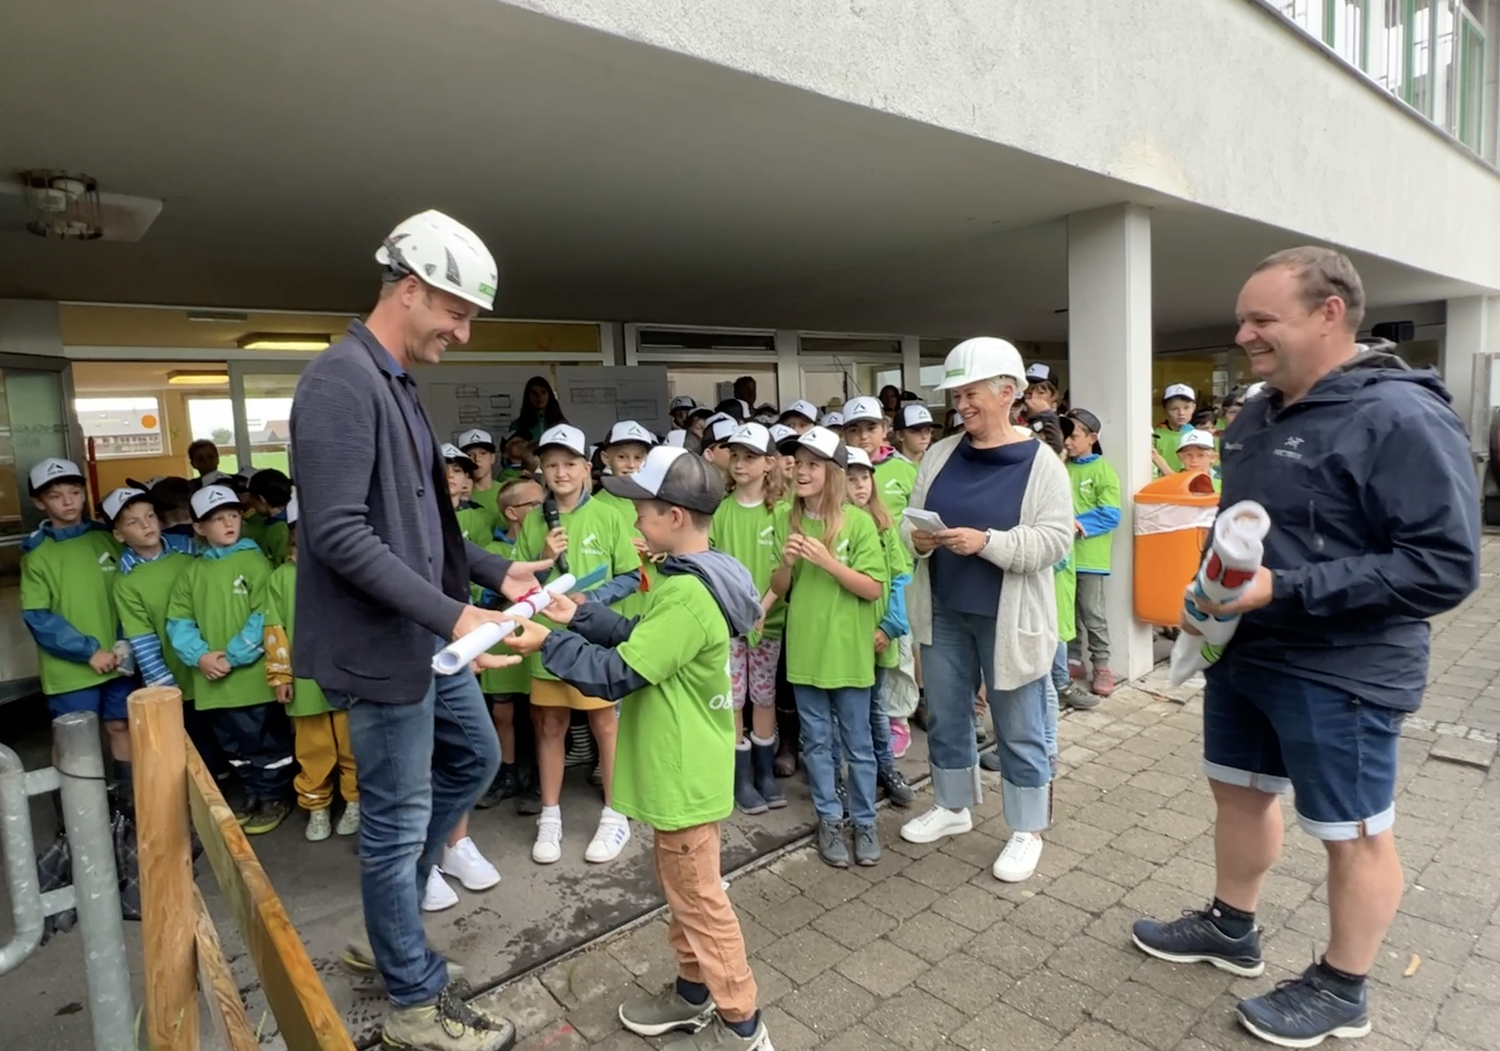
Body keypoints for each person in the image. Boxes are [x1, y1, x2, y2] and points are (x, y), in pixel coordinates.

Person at [1130, 246, 1480, 1048]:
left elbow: (1444, 564)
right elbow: (1240, 522)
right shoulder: (1257, 411)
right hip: (1244, 649)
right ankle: (1231, 926)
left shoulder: (1401, 417)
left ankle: (1343, 987)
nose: (1243, 335)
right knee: (1238, 790)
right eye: (1241, 319)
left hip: (1342, 668)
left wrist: (1285, 588)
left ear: (1330, 314)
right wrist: (1207, 588)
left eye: (1262, 319)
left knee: (1354, 831)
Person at [289, 210, 538, 1051]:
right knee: (396, 826)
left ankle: (390, 928)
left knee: (473, 758)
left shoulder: (390, 380)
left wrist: (496, 570)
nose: (463, 333)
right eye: (455, 313)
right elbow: (338, 533)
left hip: (423, 635)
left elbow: (426, 526)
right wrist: (456, 613)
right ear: (407, 288)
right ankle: (414, 1005)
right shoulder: (339, 381)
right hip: (385, 645)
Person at [506, 446, 770, 1051]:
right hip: (681, 769)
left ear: (674, 517)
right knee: (685, 894)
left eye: (642, 510)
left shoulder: (688, 595)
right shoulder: (697, 574)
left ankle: (743, 1027)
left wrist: (545, 642)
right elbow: (641, 637)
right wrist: (580, 616)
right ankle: (693, 994)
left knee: (700, 902)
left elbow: (618, 673)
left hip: (681, 775)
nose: (634, 520)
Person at [898, 338, 1072, 884]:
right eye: (957, 395)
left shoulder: (1042, 463)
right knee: (948, 714)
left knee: (1019, 723)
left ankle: (1027, 828)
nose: (961, 404)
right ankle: (953, 805)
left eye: (971, 392)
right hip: (945, 608)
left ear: (1007, 392)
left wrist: (988, 542)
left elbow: (1054, 541)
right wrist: (917, 540)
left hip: (1009, 617)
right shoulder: (941, 453)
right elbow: (910, 518)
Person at [515, 423, 641, 866]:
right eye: (551, 465)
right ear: (542, 470)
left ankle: (615, 812)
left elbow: (630, 574)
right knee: (550, 726)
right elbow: (516, 581)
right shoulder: (535, 520)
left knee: (606, 725)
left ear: (588, 467)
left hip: (595, 641)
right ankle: (550, 816)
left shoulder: (609, 515)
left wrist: (592, 600)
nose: (561, 472)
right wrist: (544, 559)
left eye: (569, 463)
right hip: (547, 639)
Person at [769, 427, 887, 868]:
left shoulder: (858, 522)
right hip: (805, 651)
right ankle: (830, 818)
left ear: (833, 472)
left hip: (849, 652)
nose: (801, 472)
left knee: (858, 744)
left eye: (812, 465)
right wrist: (788, 563)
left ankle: (865, 820)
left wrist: (827, 561)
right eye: (798, 463)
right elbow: (779, 587)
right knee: (816, 743)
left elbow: (873, 588)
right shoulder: (786, 518)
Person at [166, 485, 291, 833]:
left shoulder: (254, 562)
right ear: (199, 527)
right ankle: (253, 793)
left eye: (233, 515)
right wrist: (200, 656)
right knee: (232, 745)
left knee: (264, 742)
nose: (228, 523)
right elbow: (178, 619)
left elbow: (265, 615)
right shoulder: (192, 572)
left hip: (251, 681)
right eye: (217, 519)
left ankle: (274, 797)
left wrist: (233, 657)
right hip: (212, 682)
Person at [21, 460, 132, 769]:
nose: (68, 502)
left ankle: (128, 796)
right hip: (71, 668)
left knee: (121, 725)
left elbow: (130, 594)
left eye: (75, 492)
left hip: (120, 658)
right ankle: (72, 800)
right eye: (55, 496)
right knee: (74, 737)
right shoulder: (38, 554)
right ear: (39, 502)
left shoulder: (107, 538)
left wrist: (125, 642)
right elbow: (38, 616)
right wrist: (88, 652)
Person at [263, 497, 360, 843]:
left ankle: (355, 801)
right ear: (292, 534)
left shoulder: (345, 569)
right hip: (305, 680)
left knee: (352, 742)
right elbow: (274, 629)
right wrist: (280, 675)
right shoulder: (281, 577)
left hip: (346, 674)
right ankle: (316, 805)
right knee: (312, 747)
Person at [709, 422, 788, 814]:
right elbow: (711, 564)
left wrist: (763, 608)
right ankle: (740, 778)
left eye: (750, 457)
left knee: (764, 694)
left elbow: (785, 571)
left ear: (770, 463)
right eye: (736, 456)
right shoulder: (720, 510)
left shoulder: (781, 512)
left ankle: (764, 773)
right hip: (730, 623)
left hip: (767, 623)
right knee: (734, 697)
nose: (740, 464)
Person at [844, 448, 917, 809]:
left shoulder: (884, 526)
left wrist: (889, 626)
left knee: (876, 707)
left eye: (865, 478)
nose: (860, 486)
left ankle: (885, 767)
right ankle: (844, 777)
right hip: (844, 637)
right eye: (850, 479)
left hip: (876, 636)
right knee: (841, 713)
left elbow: (900, 577)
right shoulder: (831, 525)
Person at [476, 478, 545, 815]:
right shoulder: (492, 550)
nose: (542, 509)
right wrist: (501, 587)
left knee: (540, 711)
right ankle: (508, 772)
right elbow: (481, 595)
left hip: (537, 639)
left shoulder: (545, 547)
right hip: (502, 641)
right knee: (502, 711)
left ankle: (538, 776)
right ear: (512, 512)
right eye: (535, 504)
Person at [1061, 408, 1122, 698]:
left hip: (1089, 558)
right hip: (1062, 558)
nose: (1067, 442)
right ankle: (1073, 660)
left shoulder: (1102, 470)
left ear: (1092, 438)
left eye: (1073, 436)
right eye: (1065, 436)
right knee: (1067, 611)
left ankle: (1102, 665)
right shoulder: (1061, 466)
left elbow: (1111, 514)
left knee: (1091, 611)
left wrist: (1075, 524)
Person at [444, 444, 494, 543]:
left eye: (457, 470)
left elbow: (485, 550)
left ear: (465, 479)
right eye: (443, 469)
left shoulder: (475, 518)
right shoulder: (420, 514)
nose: (450, 475)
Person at [243, 468, 293, 566]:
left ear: (261, 499)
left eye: (252, 498)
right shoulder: (291, 519)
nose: (251, 503)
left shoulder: (279, 528)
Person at [1151, 383, 1197, 475]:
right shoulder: (1156, 436)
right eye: (1174, 409)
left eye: (1186, 408)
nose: (1181, 413)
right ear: (1165, 410)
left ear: (1193, 407)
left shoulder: (1198, 437)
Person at [459, 428, 503, 523]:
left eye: (483, 453)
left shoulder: (507, 491)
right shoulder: (459, 495)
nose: (477, 459)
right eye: (470, 455)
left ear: (492, 458)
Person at [509, 375, 567, 442]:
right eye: (534, 393)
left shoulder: (562, 425)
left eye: (543, 392)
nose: (539, 397)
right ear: (528, 396)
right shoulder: (517, 426)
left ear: (549, 395)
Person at [699, 414, 737, 479]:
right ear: (708, 454)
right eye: (729, 446)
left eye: (740, 446)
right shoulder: (695, 483)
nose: (736, 451)